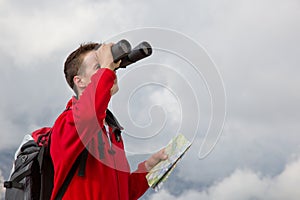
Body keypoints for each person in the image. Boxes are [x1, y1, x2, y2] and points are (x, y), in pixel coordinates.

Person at [50, 42, 167, 200]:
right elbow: (88, 115)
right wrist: (106, 67)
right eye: (98, 67)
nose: (111, 71)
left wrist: (148, 167)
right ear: (79, 81)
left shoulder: (111, 131)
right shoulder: (68, 123)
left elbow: (123, 194)